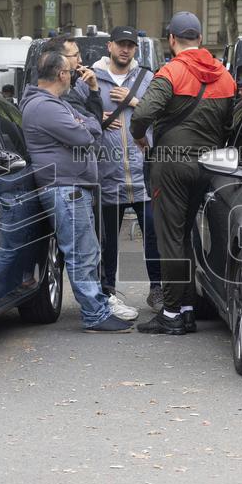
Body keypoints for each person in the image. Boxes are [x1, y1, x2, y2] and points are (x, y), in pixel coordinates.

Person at [129, 11, 236, 336]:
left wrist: (139, 136)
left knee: (170, 238)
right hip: (209, 166)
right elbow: (230, 124)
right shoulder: (224, 76)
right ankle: (187, 309)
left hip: (171, 165)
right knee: (186, 235)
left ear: (171, 39)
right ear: (200, 39)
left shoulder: (171, 71)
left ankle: (172, 313)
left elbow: (143, 114)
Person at [19, 50, 133, 333]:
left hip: (72, 187)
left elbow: (89, 125)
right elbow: (85, 135)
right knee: (81, 254)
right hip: (64, 188)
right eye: (70, 72)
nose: (73, 76)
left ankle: (98, 308)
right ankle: (94, 314)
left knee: (87, 250)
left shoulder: (54, 103)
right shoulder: (45, 106)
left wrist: (86, 123)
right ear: (61, 74)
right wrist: (87, 124)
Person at [92, 26, 162, 314]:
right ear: (109, 46)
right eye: (121, 44)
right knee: (108, 241)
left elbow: (163, 114)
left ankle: (157, 289)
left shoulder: (148, 78)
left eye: (130, 45)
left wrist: (134, 102)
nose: (125, 49)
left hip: (144, 174)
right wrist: (98, 117)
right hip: (108, 174)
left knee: (154, 235)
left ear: (135, 49)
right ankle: (107, 291)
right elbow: (75, 115)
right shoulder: (92, 78)